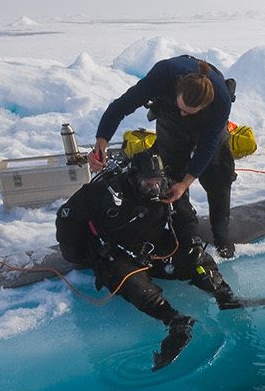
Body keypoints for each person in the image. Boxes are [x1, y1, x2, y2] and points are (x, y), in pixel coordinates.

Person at [57, 151, 243, 370]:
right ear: (134, 178)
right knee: (132, 282)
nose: (154, 188)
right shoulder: (103, 192)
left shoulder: (169, 188)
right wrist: (82, 252)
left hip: (154, 246)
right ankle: (174, 320)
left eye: (158, 182)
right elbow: (66, 216)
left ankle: (221, 292)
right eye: (148, 183)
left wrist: (190, 241)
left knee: (196, 257)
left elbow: (186, 218)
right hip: (118, 251)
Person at [88, 55, 240, 257]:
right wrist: (102, 141)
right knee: (171, 175)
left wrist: (188, 181)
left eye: (190, 112)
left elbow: (208, 146)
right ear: (177, 90)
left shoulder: (220, 99)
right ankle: (184, 235)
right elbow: (120, 107)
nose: (185, 114)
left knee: (218, 175)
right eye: (183, 108)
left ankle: (221, 237)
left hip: (207, 126)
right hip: (169, 118)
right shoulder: (162, 75)